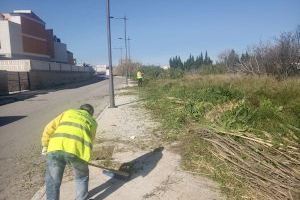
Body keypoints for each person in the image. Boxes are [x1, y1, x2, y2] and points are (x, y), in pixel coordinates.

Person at [41, 104, 98, 200]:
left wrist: (45, 145)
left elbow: (48, 128)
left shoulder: (68, 112)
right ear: (91, 114)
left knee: (53, 181)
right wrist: (85, 157)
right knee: (81, 177)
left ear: (80, 109)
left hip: (56, 147)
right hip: (78, 151)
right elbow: (90, 140)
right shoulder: (93, 122)